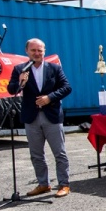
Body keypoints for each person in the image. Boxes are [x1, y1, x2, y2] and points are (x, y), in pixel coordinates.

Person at [6, 38, 72, 198]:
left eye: (40, 50)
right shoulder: (20, 69)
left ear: (44, 51)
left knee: (59, 153)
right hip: (32, 117)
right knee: (36, 154)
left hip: (52, 116)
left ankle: (64, 184)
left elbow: (66, 87)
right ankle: (43, 184)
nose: (37, 53)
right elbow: (11, 89)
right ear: (27, 51)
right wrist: (20, 83)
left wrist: (50, 97)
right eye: (33, 50)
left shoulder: (54, 69)